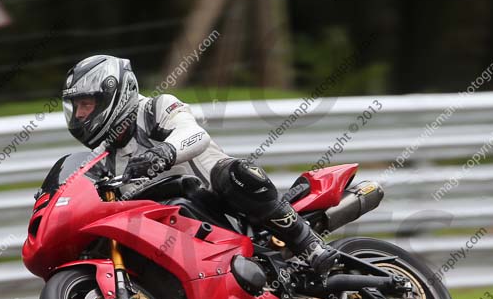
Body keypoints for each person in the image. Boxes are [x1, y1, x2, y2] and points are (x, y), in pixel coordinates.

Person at [61, 55, 338, 275]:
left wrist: (164, 152)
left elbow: (195, 135)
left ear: (114, 94)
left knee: (237, 174)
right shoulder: (102, 158)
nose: (81, 114)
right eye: (77, 107)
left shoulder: (155, 109)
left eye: (86, 104)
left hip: (222, 202)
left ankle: (309, 244)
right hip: (176, 227)